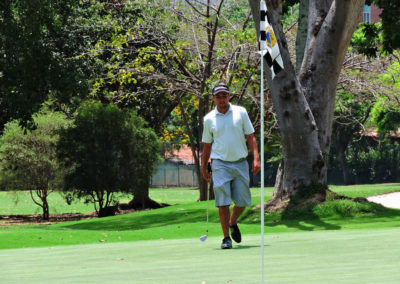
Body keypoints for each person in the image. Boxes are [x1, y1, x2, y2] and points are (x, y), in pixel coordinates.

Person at [201, 82, 261, 249]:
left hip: (240, 162)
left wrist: (256, 158)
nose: (222, 99)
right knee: (223, 201)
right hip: (219, 163)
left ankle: (232, 222)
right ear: (214, 98)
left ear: (229, 96)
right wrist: (203, 167)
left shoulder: (240, 112)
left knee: (242, 201)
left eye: (224, 96)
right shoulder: (208, 119)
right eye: (218, 96)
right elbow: (207, 145)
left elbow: (251, 136)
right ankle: (226, 238)